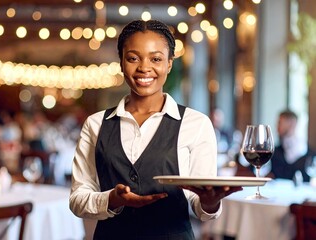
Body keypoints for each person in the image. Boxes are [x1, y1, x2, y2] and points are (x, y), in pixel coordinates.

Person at [69, 19, 242, 240]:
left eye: (156, 59)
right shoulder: (95, 124)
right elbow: (77, 200)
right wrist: (112, 199)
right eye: (133, 58)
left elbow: (202, 207)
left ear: (169, 63)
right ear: (121, 63)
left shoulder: (196, 124)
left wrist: (210, 202)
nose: (144, 67)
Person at [270, 110, 314, 182]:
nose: (277, 126)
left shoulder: (309, 153)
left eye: (280, 123)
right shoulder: (275, 152)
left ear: (292, 123)